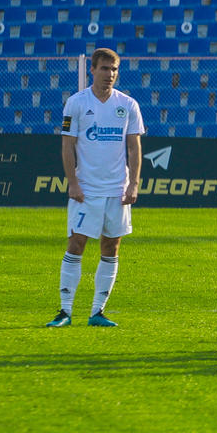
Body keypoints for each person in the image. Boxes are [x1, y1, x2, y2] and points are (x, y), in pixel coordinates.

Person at [45, 48, 143, 328]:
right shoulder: (76, 103)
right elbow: (67, 145)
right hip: (86, 190)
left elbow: (134, 148)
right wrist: (72, 182)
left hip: (117, 190)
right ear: (93, 70)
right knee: (76, 244)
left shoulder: (128, 105)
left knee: (111, 246)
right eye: (104, 69)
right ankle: (64, 312)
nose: (109, 74)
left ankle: (97, 311)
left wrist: (133, 184)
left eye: (113, 70)